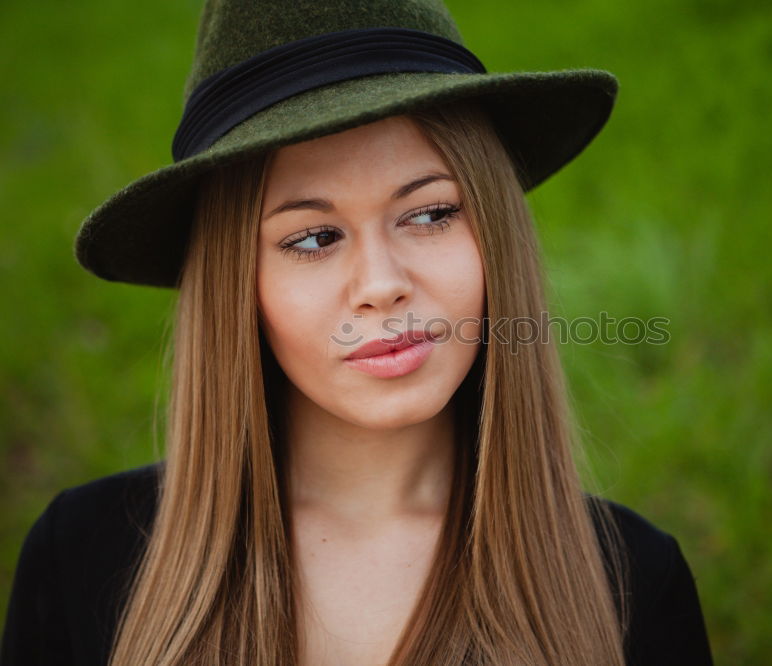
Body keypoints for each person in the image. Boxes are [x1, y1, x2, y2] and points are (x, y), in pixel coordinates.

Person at [1, 1, 713, 664]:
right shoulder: (80, 561)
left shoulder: (633, 586)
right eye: (312, 237)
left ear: (496, 231)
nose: (380, 284)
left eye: (431, 214)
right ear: (236, 287)